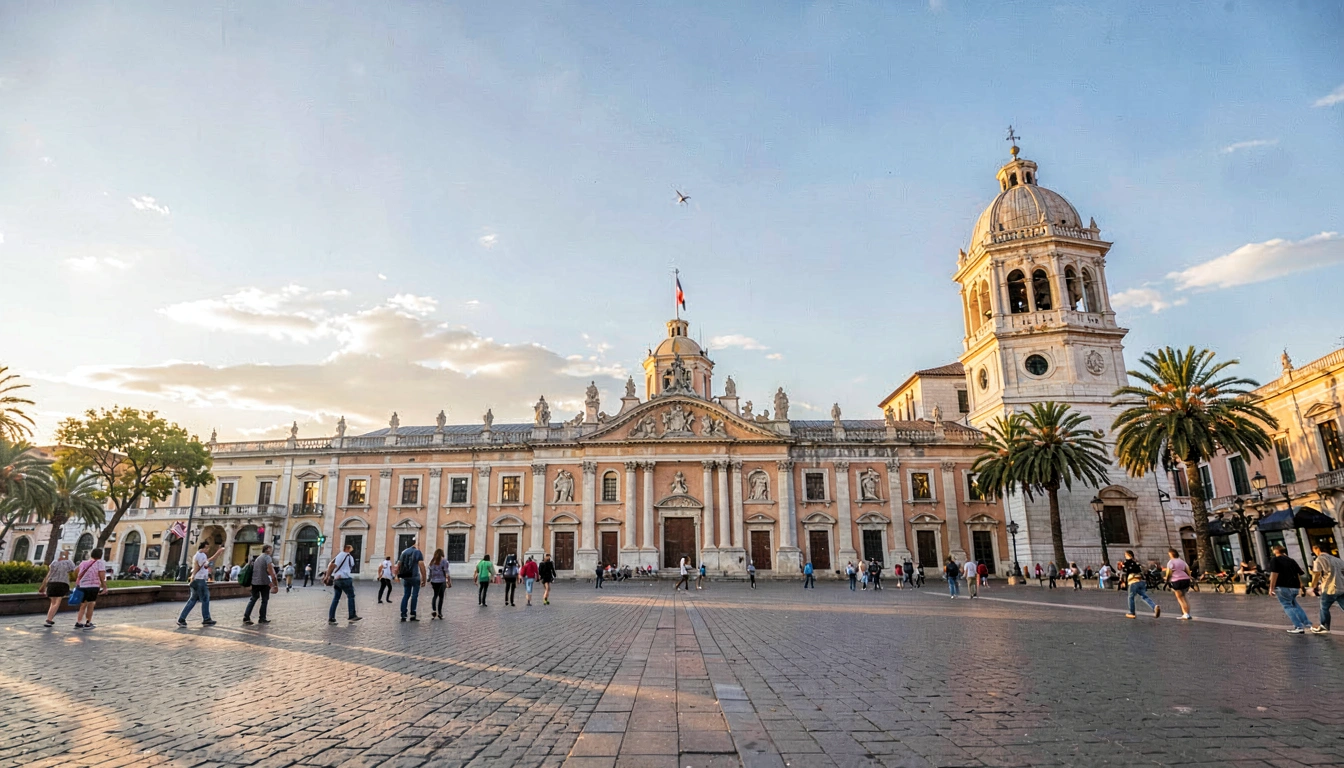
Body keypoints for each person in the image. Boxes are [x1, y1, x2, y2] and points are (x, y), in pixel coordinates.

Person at [177, 542, 224, 628]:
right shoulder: (201, 555)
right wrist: (218, 552)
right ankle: (206, 619)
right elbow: (200, 566)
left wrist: (192, 577)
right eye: (206, 548)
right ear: (202, 548)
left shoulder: (197, 555)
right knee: (205, 599)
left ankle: (181, 619)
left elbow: (204, 565)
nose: (207, 550)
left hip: (196, 579)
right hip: (200, 580)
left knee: (192, 600)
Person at [1267, 544, 1310, 633]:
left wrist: (1271, 588)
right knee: (1295, 605)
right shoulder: (1291, 560)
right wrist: (1301, 586)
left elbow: (1274, 574)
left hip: (1283, 587)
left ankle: (1298, 626)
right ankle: (1307, 623)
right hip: (1295, 587)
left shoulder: (1275, 560)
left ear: (1275, 551)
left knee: (1287, 606)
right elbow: (1298, 573)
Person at [1309, 543, 1344, 634]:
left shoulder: (1320, 559)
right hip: (1342, 586)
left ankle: (1324, 626)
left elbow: (1316, 573)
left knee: (1324, 607)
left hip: (1329, 587)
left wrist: (1313, 585)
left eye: (1314, 550)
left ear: (1317, 549)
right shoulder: (1337, 559)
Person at [324, 543, 361, 624]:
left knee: (336, 598)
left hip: (337, 579)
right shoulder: (349, 557)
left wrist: (328, 576)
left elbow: (331, 565)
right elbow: (351, 566)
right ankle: (352, 615)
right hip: (345, 578)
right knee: (351, 596)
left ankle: (331, 617)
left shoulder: (339, 555)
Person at [39, 549, 76, 628]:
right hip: (61, 583)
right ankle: (49, 619)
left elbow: (49, 574)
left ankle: (49, 618)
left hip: (51, 583)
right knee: (57, 602)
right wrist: (67, 558)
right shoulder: (68, 562)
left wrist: (43, 586)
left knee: (53, 603)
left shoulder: (54, 563)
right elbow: (72, 569)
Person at [71, 548, 107, 630]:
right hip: (93, 585)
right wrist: (104, 586)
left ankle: (79, 622)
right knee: (91, 604)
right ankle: (88, 622)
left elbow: (76, 571)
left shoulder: (84, 563)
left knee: (83, 604)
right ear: (100, 555)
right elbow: (102, 575)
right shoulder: (100, 563)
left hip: (82, 585)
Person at [243, 545, 279, 625]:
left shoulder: (258, 558)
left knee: (253, 599)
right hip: (264, 582)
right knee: (264, 600)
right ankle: (262, 618)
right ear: (268, 549)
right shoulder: (267, 557)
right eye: (271, 549)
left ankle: (246, 617)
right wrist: (275, 584)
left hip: (255, 582)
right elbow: (271, 572)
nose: (271, 551)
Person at [1119, 550, 1160, 619]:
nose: (1125, 556)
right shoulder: (1137, 563)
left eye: (1125, 555)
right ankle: (1154, 606)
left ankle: (1132, 612)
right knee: (1144, 596)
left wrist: (1122, 581)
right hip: (1140, 581)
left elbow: (1124, 573)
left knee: (1130, 597)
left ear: (1128, 555)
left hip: (1132, 581)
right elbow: (1143, 571)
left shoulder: (1126, 563)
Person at [398, 538, 427, 621]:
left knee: (406, 594)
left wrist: (398, 575)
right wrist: (424, 579)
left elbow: (399, 564)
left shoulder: (403, 552)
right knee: (414, 595)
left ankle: (403, 614)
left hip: (405, 576)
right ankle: (413, 614)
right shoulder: (417, 552)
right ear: (415, 544)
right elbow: (421, 565)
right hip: (414, 576)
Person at [1163, 549, 1194, 620]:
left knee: (1180, 597)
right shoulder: (1182, 561)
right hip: (1185, 579)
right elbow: (1187, 570)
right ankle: (1187, 613)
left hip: (1176, 580)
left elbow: (1169, 572)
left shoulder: (1171, 562)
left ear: (1171, 555)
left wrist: (1167, 579)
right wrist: (1189, 577)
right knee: (1184, 596)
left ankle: (1185, 614)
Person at [428, 548, 452, 618]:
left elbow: (430, 572)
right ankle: (440, 613)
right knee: (441, 597)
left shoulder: (432, 561)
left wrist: (429, 579)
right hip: (442, 581)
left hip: (434, 581)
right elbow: (446, 572)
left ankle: (434, 610)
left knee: (435, 595)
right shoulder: (444, 561)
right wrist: (449, 581)